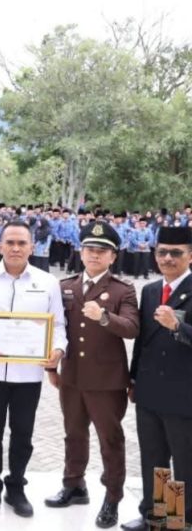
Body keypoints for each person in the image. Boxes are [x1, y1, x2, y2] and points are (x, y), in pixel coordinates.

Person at [0, 219, 67, 518]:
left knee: (22, 434)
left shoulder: (47, 282)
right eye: (9, 242)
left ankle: (16, 487)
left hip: (28, 374)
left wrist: (58, 350)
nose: (15, 248)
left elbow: (58, 324)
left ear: (32, 247)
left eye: (22, 243)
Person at [43, 221, 139, 529]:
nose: (94, 255)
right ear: (81, 252)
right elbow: (54, 328)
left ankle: (112, 497)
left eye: (102, 251)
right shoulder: (66, 286)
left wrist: (105, 317)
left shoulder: (123, 289)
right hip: (72, 377)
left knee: (110, 439)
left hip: (106, 381)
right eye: (89, 249)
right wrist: (51, 366)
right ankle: (74, 485)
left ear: (113, 257)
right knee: (73, 434)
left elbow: (132, 328)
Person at [121, 226, 192, 530]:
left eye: (176, 252)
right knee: (154, 457)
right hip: (149, 391)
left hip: (183, 392)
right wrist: (134, 379)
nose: (167, 258)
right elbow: (142, 341)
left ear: (190, 255)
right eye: (162, 251)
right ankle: (156, 514)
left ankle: (179, 518)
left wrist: (178, 327)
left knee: (183, 460)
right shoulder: (150, 290)